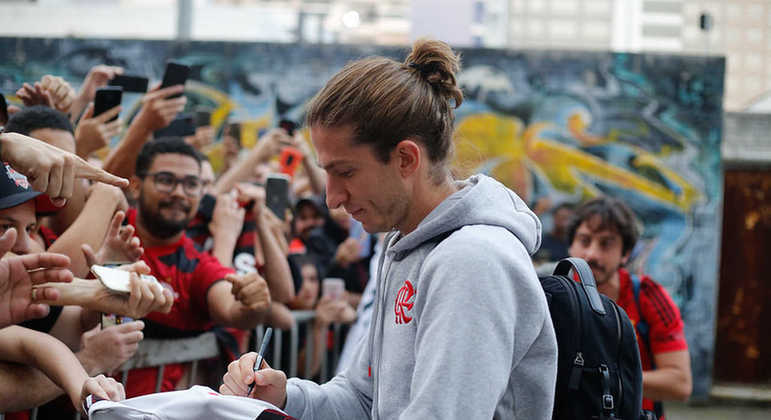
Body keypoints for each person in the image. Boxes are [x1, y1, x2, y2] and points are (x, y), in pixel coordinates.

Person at [221, 38, 557, 419]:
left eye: (345, 172)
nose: (331, 198)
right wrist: (284, 398)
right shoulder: (407, 248)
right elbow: (364, 401)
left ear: (405, 159)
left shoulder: (471, 261)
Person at [119, 137, 273, 398]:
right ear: (135, 185)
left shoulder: (197, 263)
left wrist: (254, 303)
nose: (179, 192)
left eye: (191, 184)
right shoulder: (107, 229)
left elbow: (232, 306)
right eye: (166, 180)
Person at [566, 196, 692, 419]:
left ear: (625, 254)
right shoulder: (552, 299)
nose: (592, 254)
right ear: (571, 245)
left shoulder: (648, 296)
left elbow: (680, 384)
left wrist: (598, 379)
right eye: (585, 240)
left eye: (606, 244)